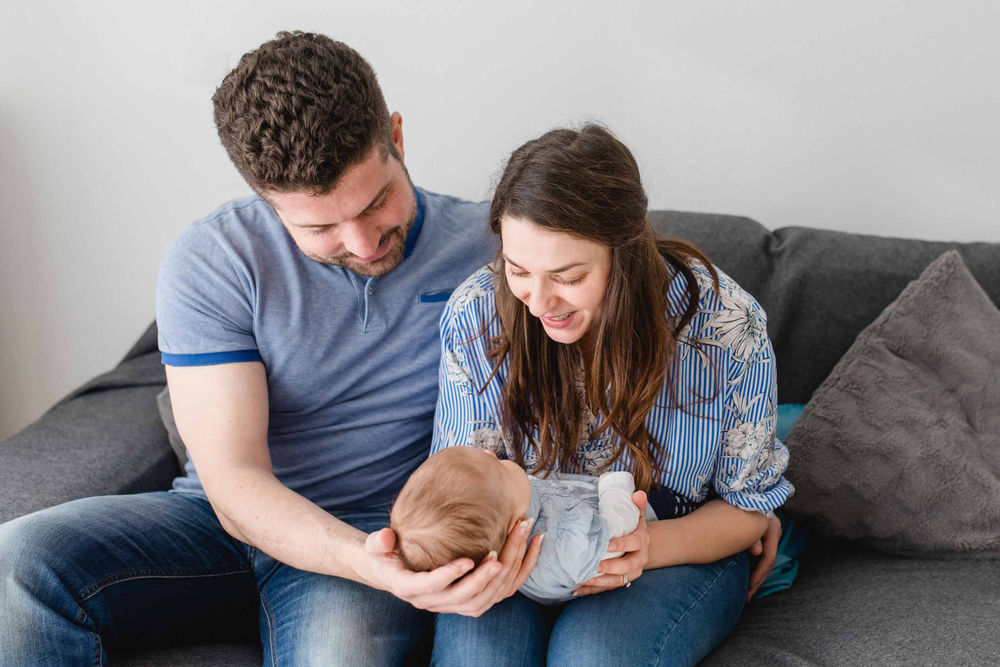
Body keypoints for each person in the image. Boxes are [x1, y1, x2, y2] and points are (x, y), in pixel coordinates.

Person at [0, 31, 544, 664]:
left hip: (381, 529)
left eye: (376, 203)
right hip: (223, 523)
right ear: (266, 200)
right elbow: (234, 478)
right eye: (320, 226)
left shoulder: (496, 250)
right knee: (19, 563)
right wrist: (360, 562)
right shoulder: (215, 261)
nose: (363, 243)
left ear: (396, 137)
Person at [430, 124, 794, 665]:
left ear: (623, 255)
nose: (538, 302)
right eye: (518, 270)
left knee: (592, 656)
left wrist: (646, 548)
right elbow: (459, 486)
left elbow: (749, 509)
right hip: (516, 548)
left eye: (568, 276)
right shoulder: (477, 314)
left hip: (675, 544)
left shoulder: (727, 328)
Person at [391, 446, 651, 603]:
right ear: (516, 525)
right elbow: (616, 538)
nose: (490, 453)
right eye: (497, 467)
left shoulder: (508, 507)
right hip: (640, 524)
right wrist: (614, 486)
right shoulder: (564, 546)